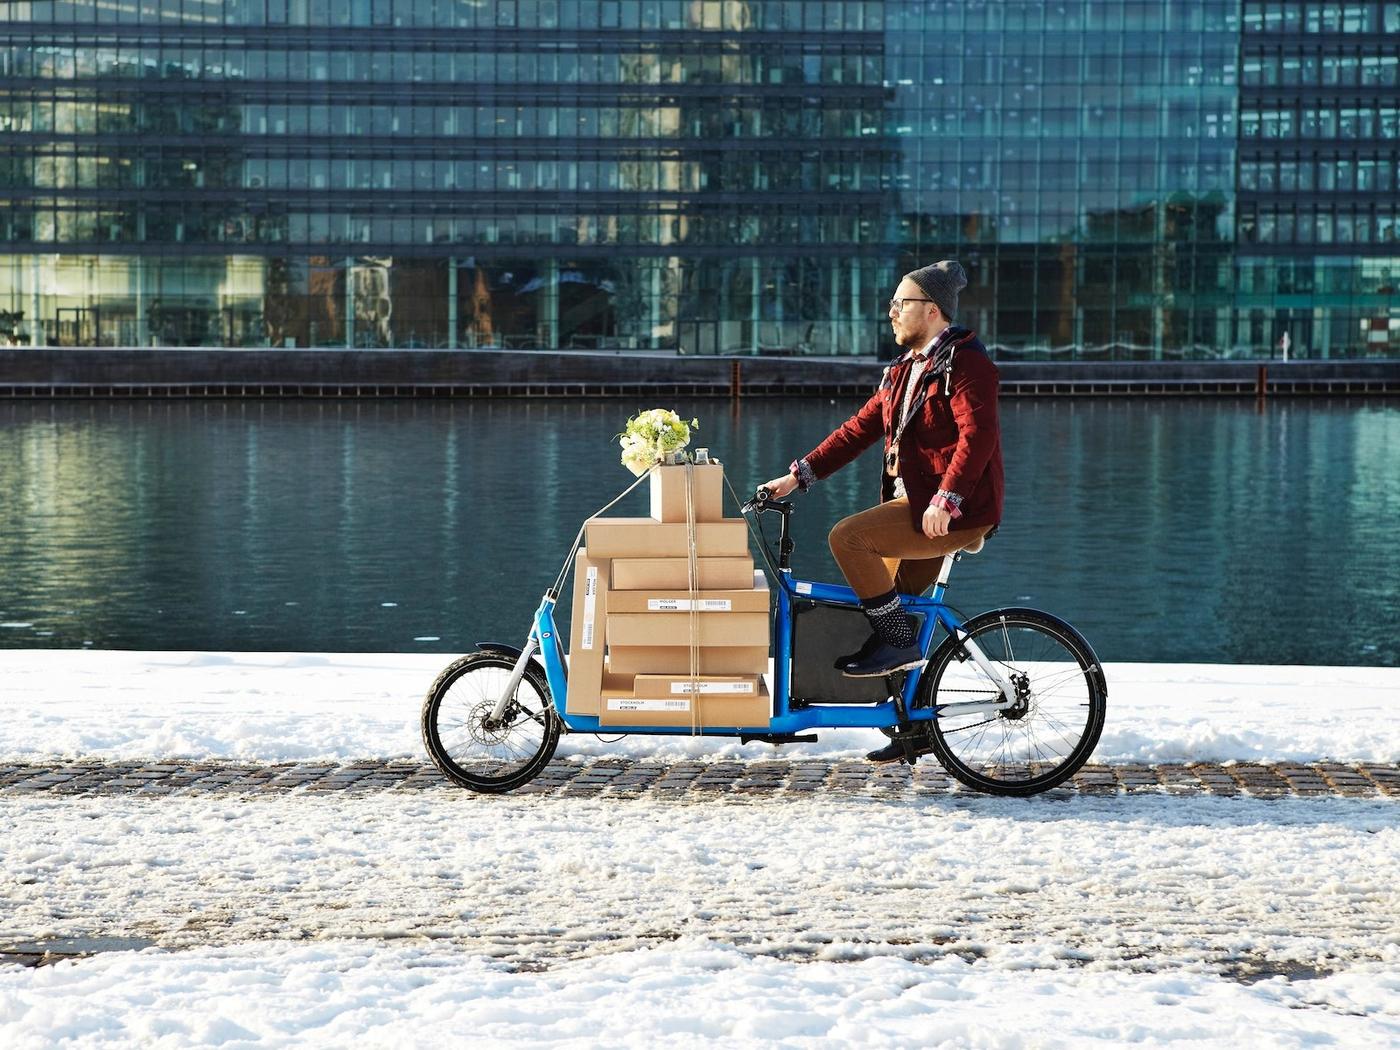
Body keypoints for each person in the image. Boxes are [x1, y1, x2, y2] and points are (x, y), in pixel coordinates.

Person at [761, 259, 1003, 763]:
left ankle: (899, 647)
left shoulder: (964, 363)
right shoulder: (903, 371)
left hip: (947, 511)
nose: (891, 312)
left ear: (932, 310)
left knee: (849, 539)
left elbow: (977, 436)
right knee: (895, 610)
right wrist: (797, 476)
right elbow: (857, 431)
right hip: (916, 506)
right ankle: (913, 726)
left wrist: (947, 498)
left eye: (901, 303)